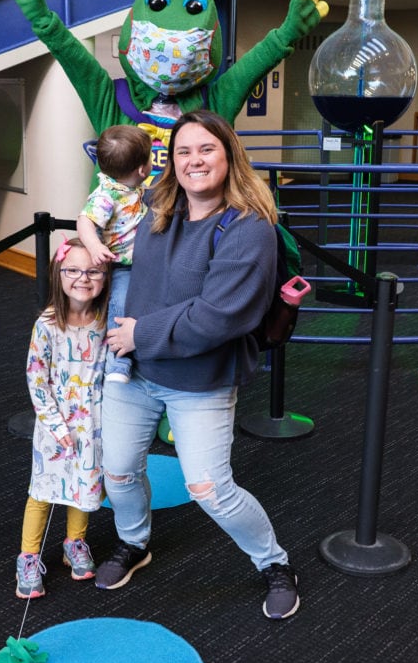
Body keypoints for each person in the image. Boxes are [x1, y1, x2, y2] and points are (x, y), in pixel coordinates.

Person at [95, 109, 300, 619]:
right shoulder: (158, 209)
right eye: (183, 151)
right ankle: (134, 542)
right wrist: (76, 254)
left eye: (206, 149)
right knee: (117, 473)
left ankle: (274, 563)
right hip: (134, 371)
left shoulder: (250, 228)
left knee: (209, 488)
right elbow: (113, 246)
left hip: (198, 381)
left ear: (229, 155)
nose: (194, 160)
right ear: (171, 162)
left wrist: (141, 332)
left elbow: (219, 316)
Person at [15, 237, 109, 599]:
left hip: (94, 425)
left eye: (93, 271)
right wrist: (56, 425)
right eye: (72, 270)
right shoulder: (48, 325)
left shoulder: (104, 322)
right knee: (43, 491)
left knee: (84, 484)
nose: (82, 278)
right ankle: (28, 556)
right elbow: (37, 380)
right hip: (56, 427)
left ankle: (75, 543)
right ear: (59, 273)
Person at [77, 125, 153, 383]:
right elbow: (85, 221)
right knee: (120, 306)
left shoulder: (131, 189)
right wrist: (95, 247)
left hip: (143, 263)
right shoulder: (106, 194)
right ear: (142, 169)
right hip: (122, 266)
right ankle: (117, 363)